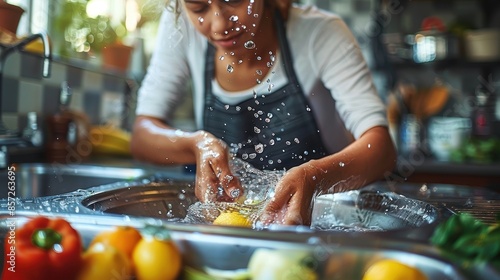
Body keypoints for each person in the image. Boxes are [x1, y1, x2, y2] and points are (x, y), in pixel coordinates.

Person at [131, 0, 397, 225]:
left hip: (321, 225)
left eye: (233, 0)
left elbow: (381, 149)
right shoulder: (181, 26)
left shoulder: (320, 34)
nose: (219, 25)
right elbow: (142, 136)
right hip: (231, 228)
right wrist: (195, 144)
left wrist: (314, 177)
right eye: (199, 8)